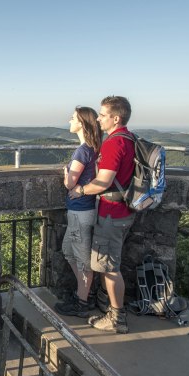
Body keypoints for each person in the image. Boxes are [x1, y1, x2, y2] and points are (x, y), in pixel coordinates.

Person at [68, 96, 135, 333]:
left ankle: (117, 319)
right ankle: (109, 308)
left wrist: (80, 190)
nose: (98, 118)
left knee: (109, 267)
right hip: (123, 211)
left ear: (115, 118)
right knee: (108, 264)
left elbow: (103, 181)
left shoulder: (114, 143)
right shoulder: (129, 138)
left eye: (103, 114)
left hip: (112, 213)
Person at [54, 106, 102, 317]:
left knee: (83, 261)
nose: (70, 120)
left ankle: (83, 302)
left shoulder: (82, 151)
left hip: (80, 212)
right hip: (84, 211)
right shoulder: (93, 148)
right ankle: (84, 291)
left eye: (73, 118)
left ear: (82, 124)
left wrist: (66, 174)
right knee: (68, 251)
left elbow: (70, 183)